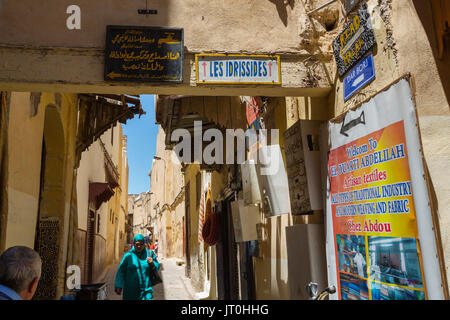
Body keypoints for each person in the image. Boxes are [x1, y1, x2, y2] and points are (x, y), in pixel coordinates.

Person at [114, 234, 160, 300]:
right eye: (137, 244)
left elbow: (157, 266)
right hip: (131, 292)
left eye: (141, 244)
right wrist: (119, 285)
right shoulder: (128, 256)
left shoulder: (149, 254)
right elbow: (121, 271)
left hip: (146, 290)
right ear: (134, 244)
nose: (139, 246)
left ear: (144, 244)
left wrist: (152, 263)